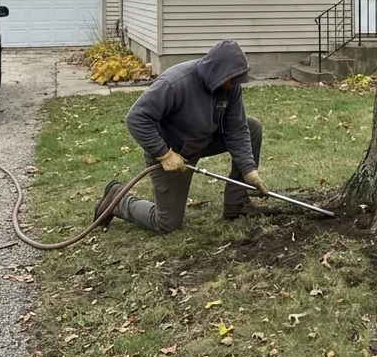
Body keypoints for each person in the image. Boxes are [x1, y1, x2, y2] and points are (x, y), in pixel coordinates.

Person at [95, 39, 271, 234]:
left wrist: (248, 169)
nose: (233, 85)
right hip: (172, 151)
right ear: (216, 72)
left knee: (251, 126)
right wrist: (164, 154)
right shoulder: (176, 83)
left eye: (236, 80)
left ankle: (236, 203)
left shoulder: (230, 86)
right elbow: (136, 118)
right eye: (230, 80)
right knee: (166, 223)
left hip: (203, 140)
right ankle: (117, 200)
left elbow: (236, 128)